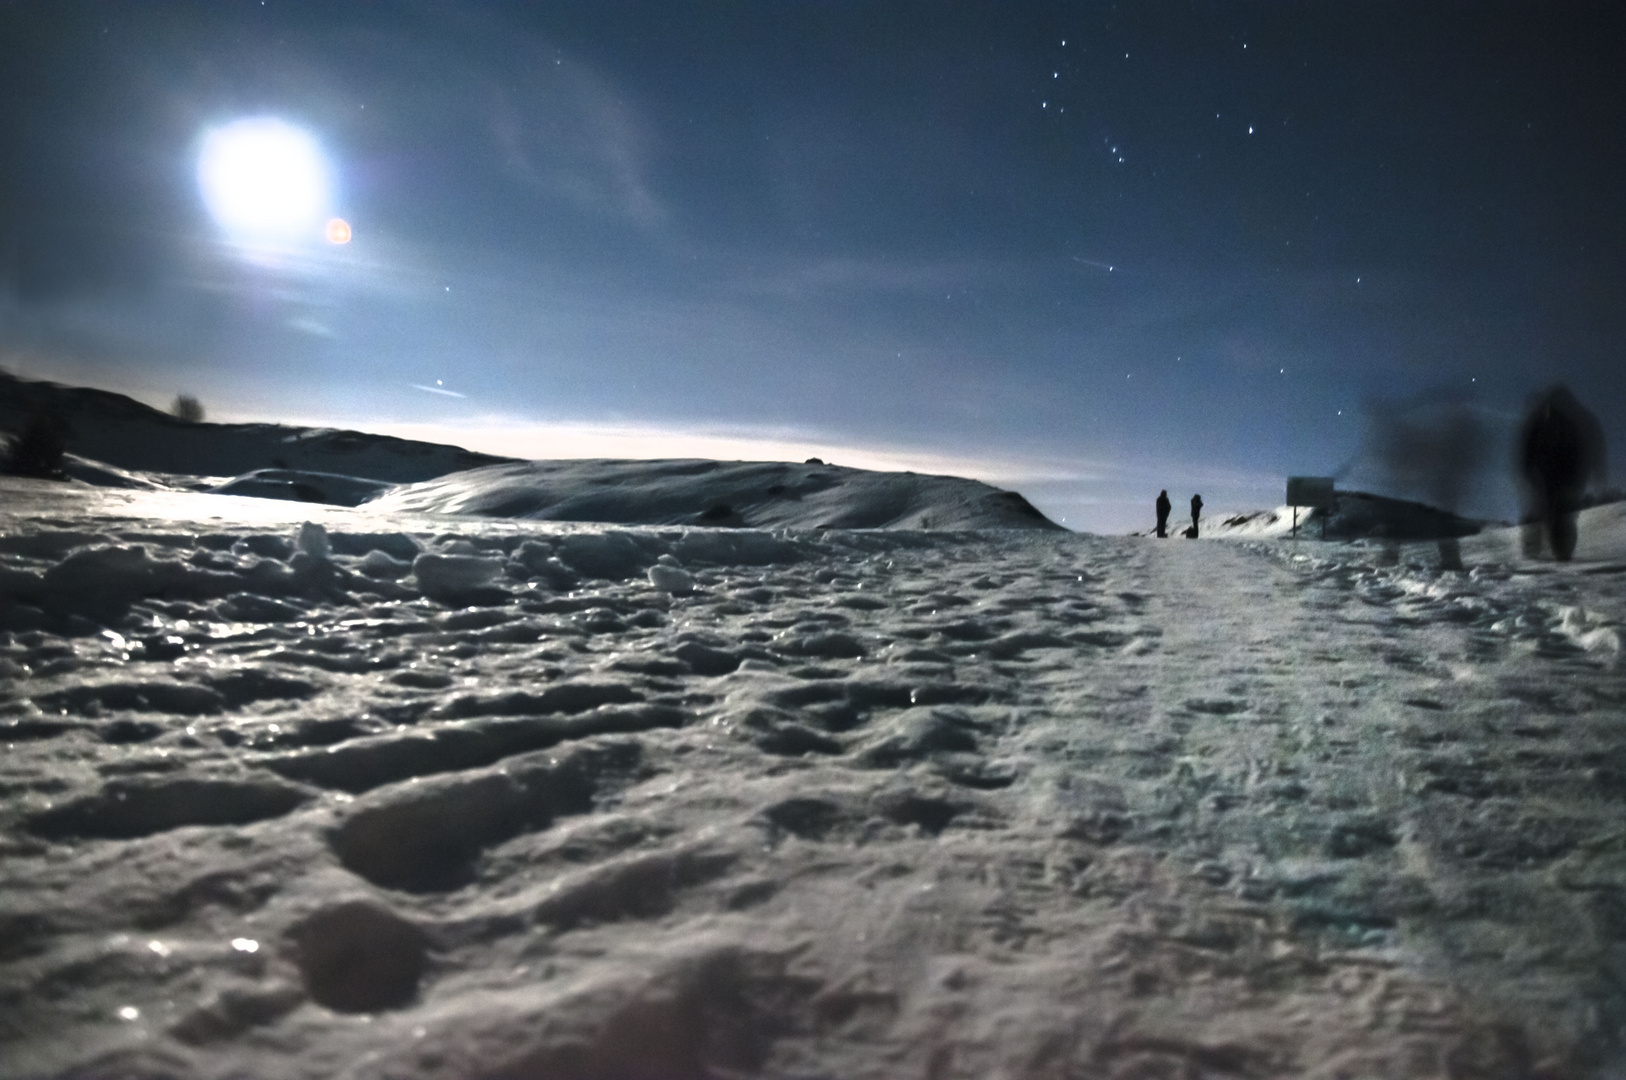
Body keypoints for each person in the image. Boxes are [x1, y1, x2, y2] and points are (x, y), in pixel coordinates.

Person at [1518, 384, 1606, 561]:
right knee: (1552, 514)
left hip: (1562, 480)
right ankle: (1544, 554)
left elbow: (1585, 450)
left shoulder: (1571, 422)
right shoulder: (1544, 423)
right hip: (1552, 479)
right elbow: (1528, 452)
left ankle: (1557, 553)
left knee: (1558, 515)